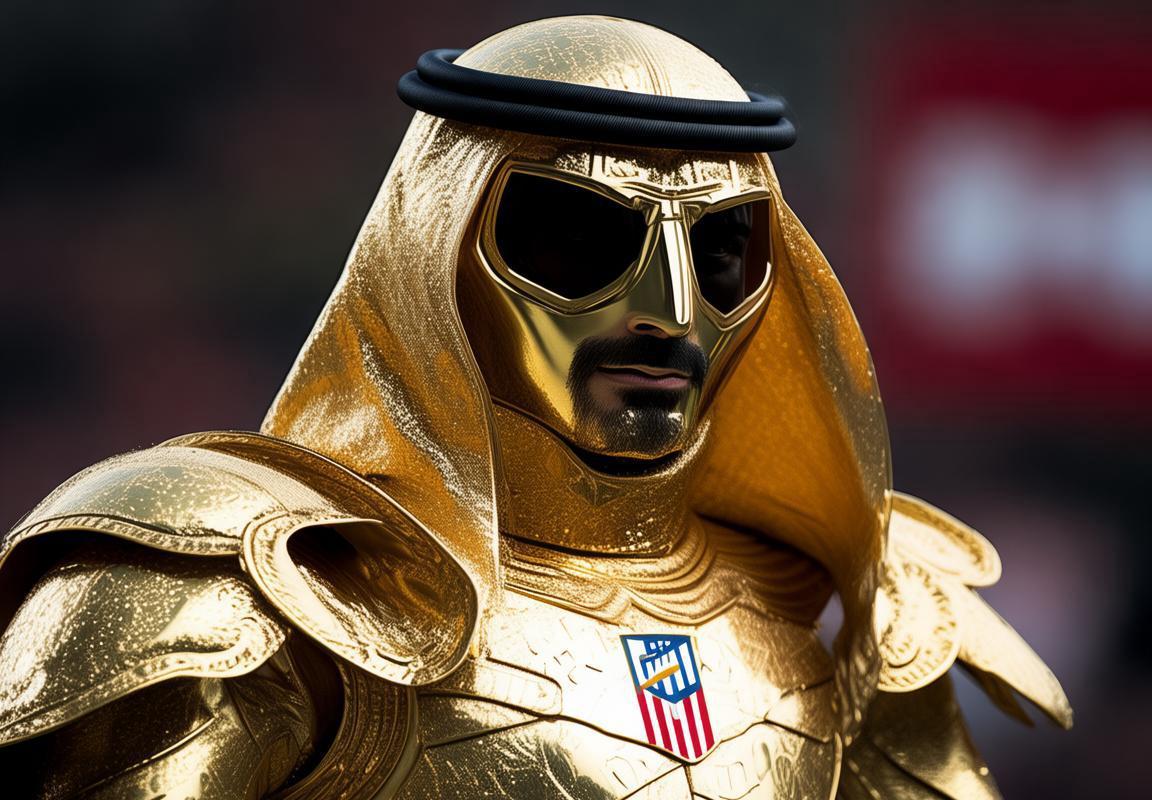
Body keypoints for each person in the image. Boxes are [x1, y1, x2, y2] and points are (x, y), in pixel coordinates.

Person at [0, 15, 1070, 799]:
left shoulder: (861, 614)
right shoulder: (229, 593)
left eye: (722, 249)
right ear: (435, 249)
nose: (670, 314)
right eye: (580, 238)